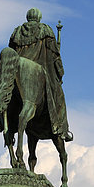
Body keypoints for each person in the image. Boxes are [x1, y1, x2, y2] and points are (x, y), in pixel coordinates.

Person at [8, 8, 72, 141]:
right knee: (59, 96)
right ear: (38, 18)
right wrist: (60, 72)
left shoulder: (16, 32)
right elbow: (55, 55)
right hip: (41, 71)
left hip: (15, 72)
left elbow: (11, 53)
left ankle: (8, 127)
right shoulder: (45, 30)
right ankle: (61, 128)